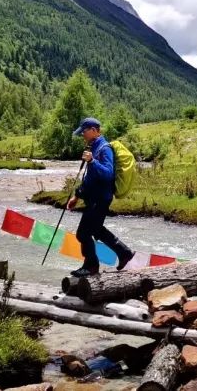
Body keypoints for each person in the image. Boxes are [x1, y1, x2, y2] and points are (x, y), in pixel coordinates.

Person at [67, 117, 134, 277]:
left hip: (100, 199)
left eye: (84, 131)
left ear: (93, 130)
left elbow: (107, 174)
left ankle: (91, 267)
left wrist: (92, 161)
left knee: (83, 234)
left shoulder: (104, 149)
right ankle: (124, 252)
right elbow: (89, 179)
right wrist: (77, 196)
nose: (82, 134)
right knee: (96, 230)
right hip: (95, 198)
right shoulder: (94, 147)